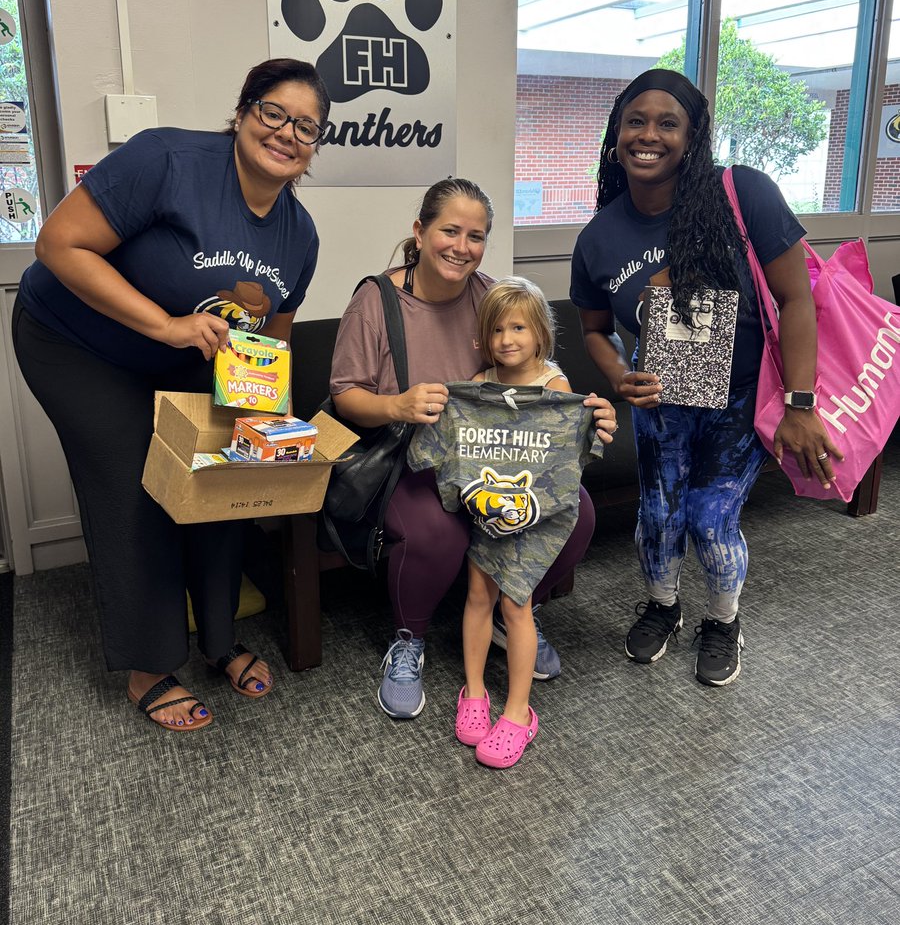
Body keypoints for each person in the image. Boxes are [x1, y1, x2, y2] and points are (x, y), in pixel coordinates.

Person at [13, 57, 329, 731]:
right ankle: (150, 663)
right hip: (75, 341)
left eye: (307, 125)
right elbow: (58, 245)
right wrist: (166, 325)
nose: (287, 133)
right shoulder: (168, 159)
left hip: (184, 355)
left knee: (220, 476)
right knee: (135, 482)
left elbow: (269, 345)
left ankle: (219, 640)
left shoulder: (299, 237)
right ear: (243, 112)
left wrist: (266, 435)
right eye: (273, 113)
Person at [570, 68, 840, 687]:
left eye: (669, 123)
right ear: (616, 134)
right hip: (662, 399)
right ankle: (664, 605)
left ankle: (723, 619)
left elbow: (798, 302)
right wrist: (619, 373)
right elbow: (592, 330)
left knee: (710, 519)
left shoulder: (742, 193)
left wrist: (801, 405)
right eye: (635, 121)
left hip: (741, 397)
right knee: (658, 515)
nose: (649, 135)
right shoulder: (600, 235)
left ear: (692, 137)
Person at [329, 180, 617, 719]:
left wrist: (589, 415)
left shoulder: (492, 297)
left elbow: (540, 381)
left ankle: (513, 610)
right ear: (420, 232)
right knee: (437, 529)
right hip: (411, 457)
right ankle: (409, 638)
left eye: (476, 235)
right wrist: (398, 405)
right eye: (450, 231)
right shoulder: (377, 299)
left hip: (497, 460)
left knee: (575, 515)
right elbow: (346, 397)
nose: (462, 246)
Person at [457, 277, 572, 768]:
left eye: (519, 327)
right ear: (485, 337)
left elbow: (568, 455)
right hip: (485, 519)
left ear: (540, 332)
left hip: (535, 520)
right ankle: (476, 691)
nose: (508, 339)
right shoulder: (481, 385)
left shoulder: (555, 386)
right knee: (478, 597)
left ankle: (518, 711)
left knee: (515, 605)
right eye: (498, 329)